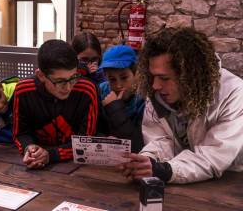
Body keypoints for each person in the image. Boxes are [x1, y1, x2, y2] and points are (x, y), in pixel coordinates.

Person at [119, 27, 243, 184]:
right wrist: (146, 160)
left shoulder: (234, 93)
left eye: (164, 78)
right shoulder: (159, 93)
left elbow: (213, 155)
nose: (155, 85)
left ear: (189, 74)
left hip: (228, 186)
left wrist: (163, 170)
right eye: (153, 76)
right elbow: (161, 140)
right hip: (180, 186)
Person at [13, 39, 98, 169]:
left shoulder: (87, 90)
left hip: (78, 168)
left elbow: (86, 142)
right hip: (34, 166)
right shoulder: (23, 90)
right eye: (60, 81)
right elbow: (20, 133)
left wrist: (50, 155)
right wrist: (29, 148)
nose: (68, 87)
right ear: (41, 75)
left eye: (73, 78)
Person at [98, 45, 145, 153]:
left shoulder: (144, 99)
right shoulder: (101, 92)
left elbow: (139, 144)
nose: (119, 85)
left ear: (136, 74)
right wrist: (103, 138)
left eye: (124, 78)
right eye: (112, 79)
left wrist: (115, 107)